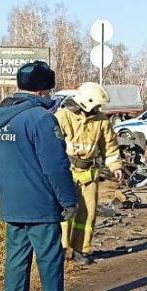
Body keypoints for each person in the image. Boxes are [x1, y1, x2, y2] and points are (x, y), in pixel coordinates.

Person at [0, 61, 93, 291]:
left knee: (16, 257)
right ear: (44, 90)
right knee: (49, 259)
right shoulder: (41, 119)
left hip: (11, 203)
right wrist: (69, 200)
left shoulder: (0, 117)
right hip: (39, 204)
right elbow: (56, 167)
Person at [53, 82, 125, 265]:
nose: (98, 109)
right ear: (86, 101)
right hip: (66, 172)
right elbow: (51, 145)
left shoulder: (101, 121)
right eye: (96, 105)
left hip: (89, 174)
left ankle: (81, 250)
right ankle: (61, 249)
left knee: (88, 214)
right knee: (64, 213)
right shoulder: (62, 117)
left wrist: (115, 166)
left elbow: (109, 147)